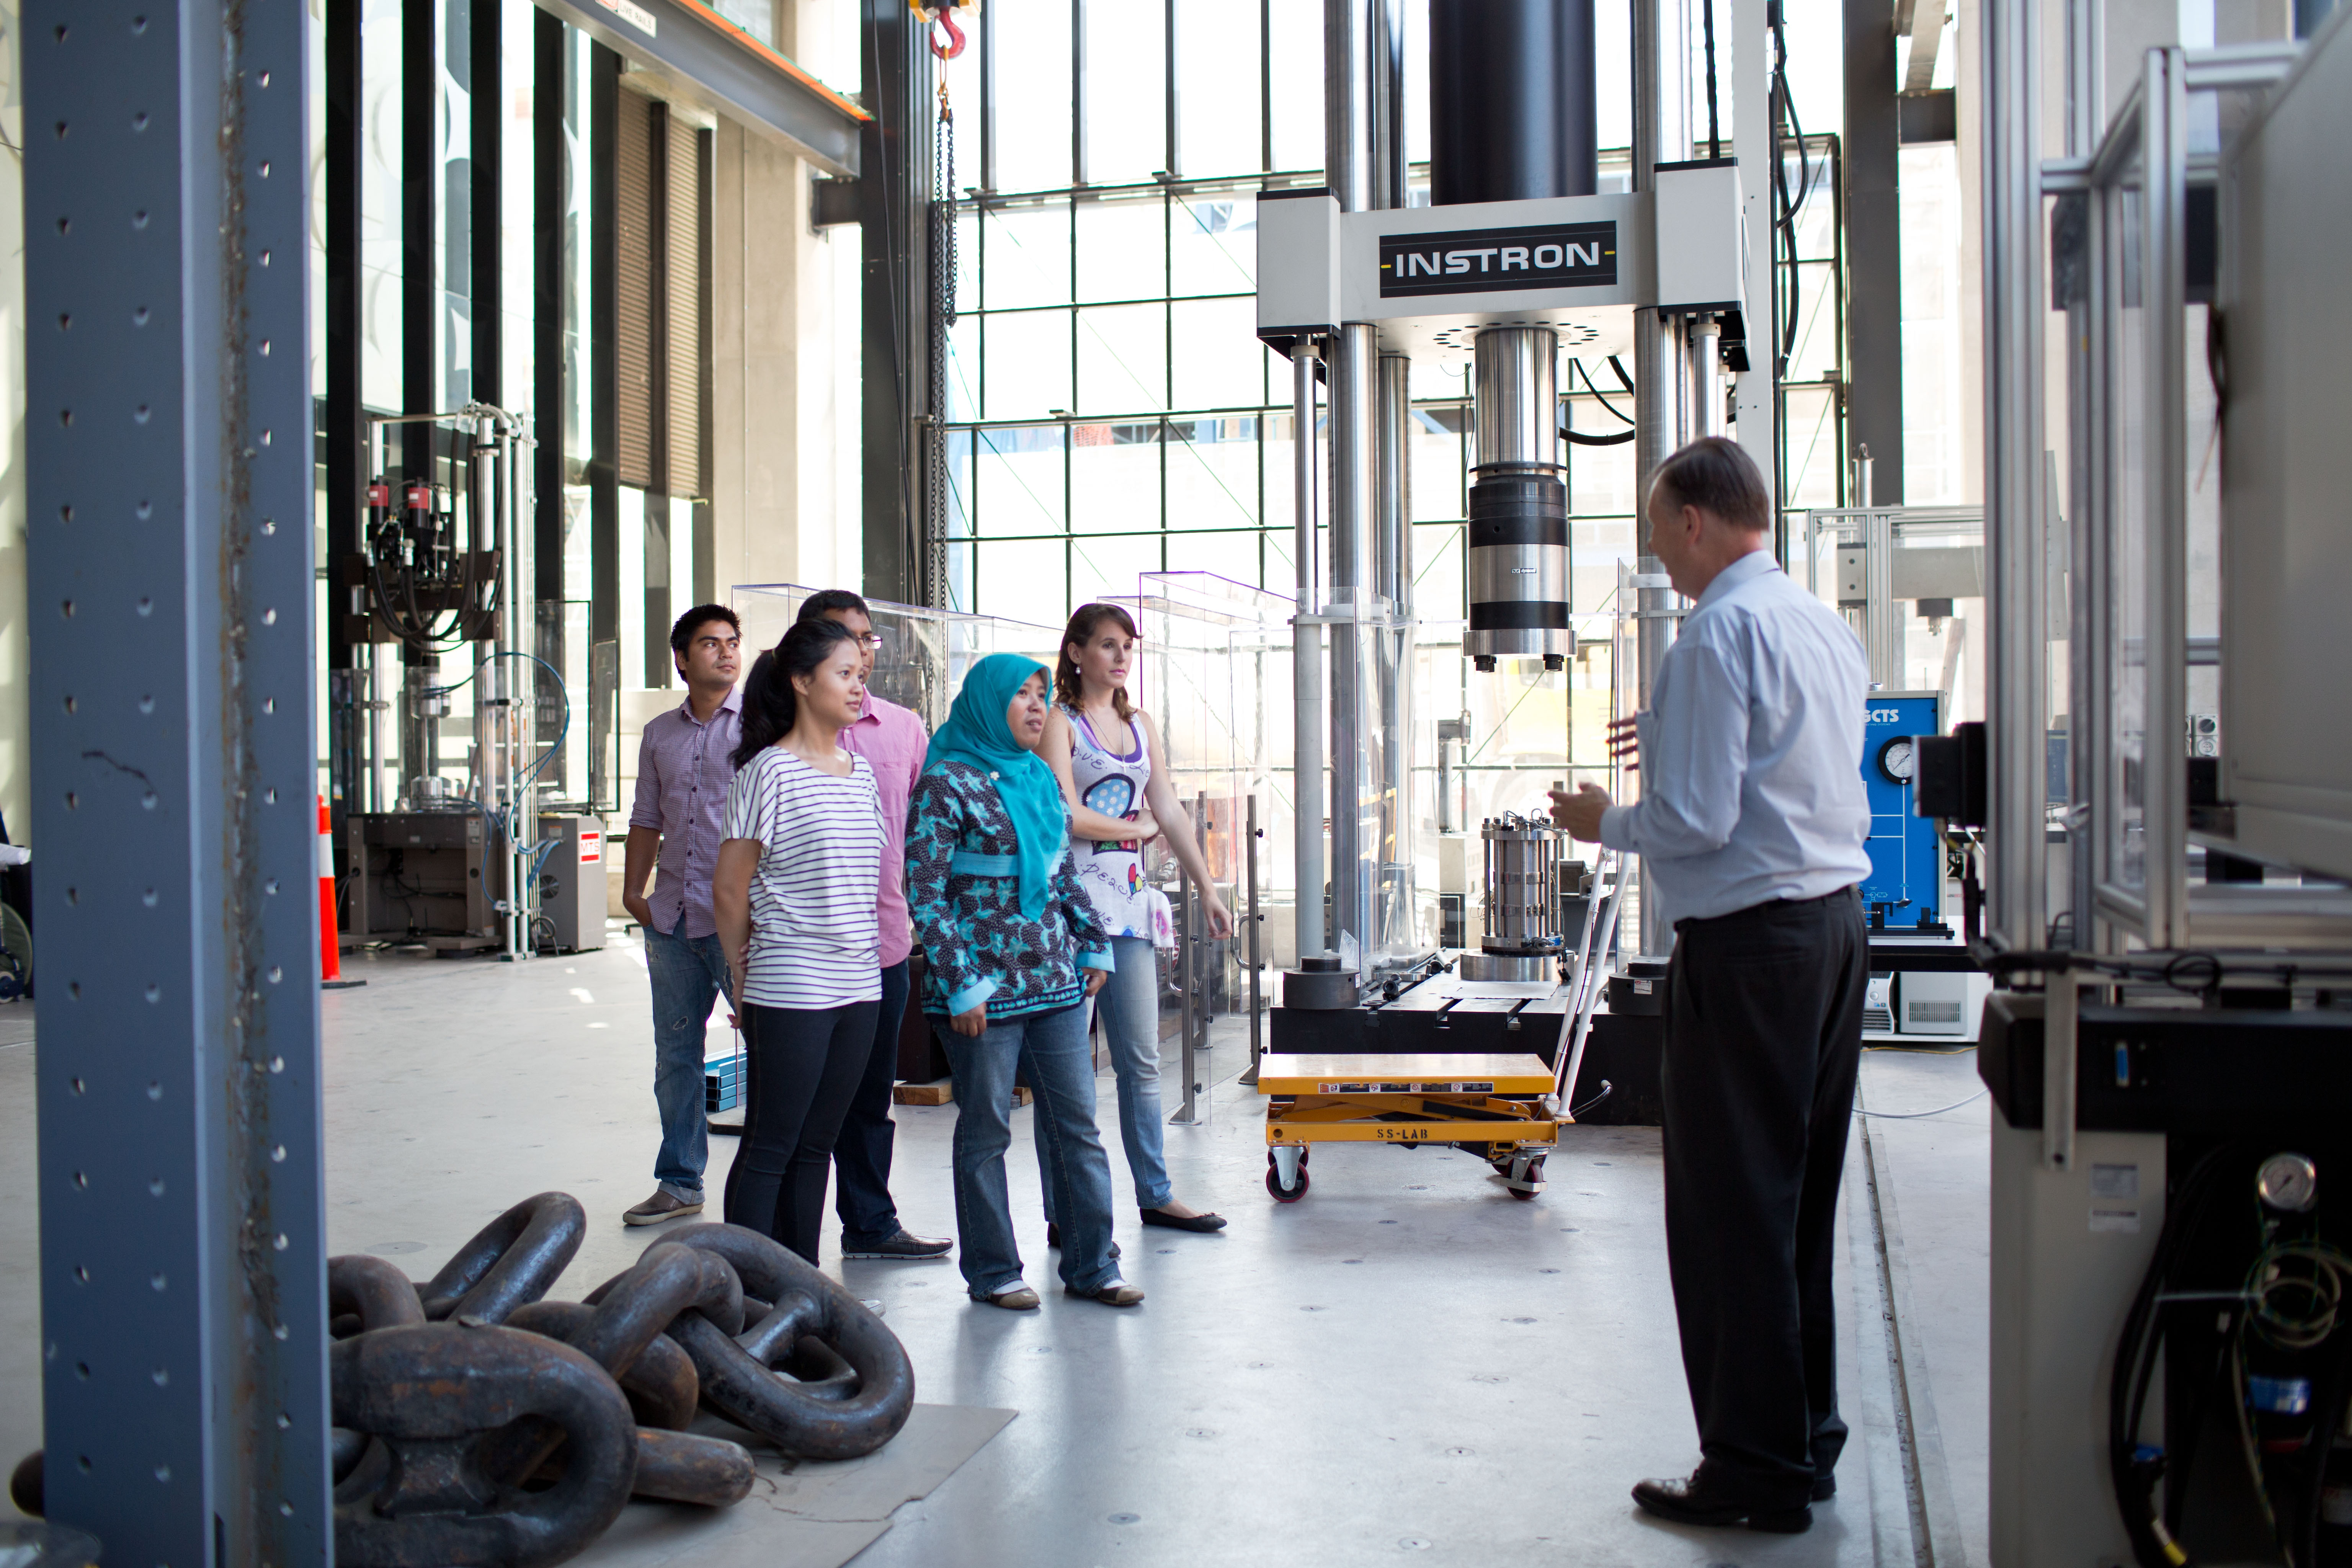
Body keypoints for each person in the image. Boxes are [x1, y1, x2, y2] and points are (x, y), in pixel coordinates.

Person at [1548, 436, 1872, 1535]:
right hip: (1832, 935)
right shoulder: (1819, 624)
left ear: (1694, 520)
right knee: (1796, 1208)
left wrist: (1606, 821)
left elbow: (1695, 821)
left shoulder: (1716, 635)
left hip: (1749, 955)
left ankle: (1750, 1470)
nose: (1660, 560)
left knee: (1733, 1211)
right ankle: (1803, 1440)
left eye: (1657, 536)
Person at [904, 653, 1140, 1310]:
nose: (1038, 706)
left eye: (1042, 694)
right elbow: (924, 892)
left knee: (1077, 1127)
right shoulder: (946, 783)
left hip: (1057, 983)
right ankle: (994, 1272)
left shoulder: (1039, 776)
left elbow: (1061, 873)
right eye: (1022, 695)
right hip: (983, 992)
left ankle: (1095, 1266)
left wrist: (1094, 944)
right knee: (986, 1132)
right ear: (986, 702)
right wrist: (961, 984)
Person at [1038, 604, 1230, 1235]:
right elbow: (1064, 814)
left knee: (1141, 1063)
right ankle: (1065, 1210)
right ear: (1076, 653)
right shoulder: (1059, 725)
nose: (1122, 658)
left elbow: (1169, 810)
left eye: (1128, 647)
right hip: (1069, 914)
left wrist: (1207, 887)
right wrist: (1137, 828)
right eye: (1107, 646)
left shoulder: (1142, 724)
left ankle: (1155, 1193)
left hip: (1130, 911)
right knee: (1069, 1075)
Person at [710, 618, 887, 1263]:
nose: (857, 687)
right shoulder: (769, 772)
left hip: (860, 983)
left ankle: (800, 1286)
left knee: (818, 1145)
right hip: (790, 979)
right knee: (771, 1145)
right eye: (845, 674)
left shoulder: (860, 772)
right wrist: (739, 971)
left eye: (861, 676)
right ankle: (745, 1295)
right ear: (802, 681)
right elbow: (729, 888)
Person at [794, 589, 952, 1262]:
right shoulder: (774, 741)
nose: (859, 651)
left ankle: (868, 1223)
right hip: (798, 954)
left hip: (884, 942)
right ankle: (782, 1246)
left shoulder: (903, 729)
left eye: (867, 639)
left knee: (868, 1097)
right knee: (794, 1108)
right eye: (843, 639)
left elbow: (926, 833)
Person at [620, 605, 743, 1226]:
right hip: (671, 916)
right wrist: (634, 893)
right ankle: (680, 1181)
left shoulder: (760, 729)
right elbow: (646, 817)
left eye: (732, 642)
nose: (725, 653)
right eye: (710, 644)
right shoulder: (659, 734)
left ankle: (763, 1184)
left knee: (771, 1048)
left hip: (738, 918)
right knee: (676, 1057)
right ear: (681, 659)